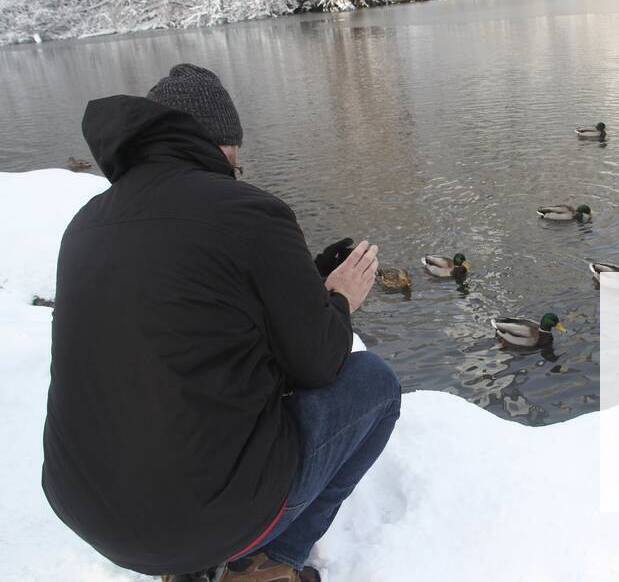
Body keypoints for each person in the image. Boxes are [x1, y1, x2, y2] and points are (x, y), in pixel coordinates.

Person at [42, 64, 401, 582]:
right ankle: (266, 564)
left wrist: (305, 288)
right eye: (237, 156)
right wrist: (340, 299)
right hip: (202, 520)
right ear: (223, 144)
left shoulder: (85, 224)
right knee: (375, 384)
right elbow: (318, 364)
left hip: (89, 513)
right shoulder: (250, 212)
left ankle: (189, 565)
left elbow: (192, 318)